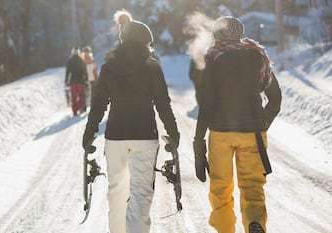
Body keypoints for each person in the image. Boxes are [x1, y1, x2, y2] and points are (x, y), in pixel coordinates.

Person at [82, 9, 180, 233]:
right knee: (140, 193)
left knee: (116, 191)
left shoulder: (108, 67)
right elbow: (163, 104)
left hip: (115, 136)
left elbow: (98, 104)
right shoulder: (152, 66)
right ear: (146, 42)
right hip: (145, 136)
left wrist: (89, 133)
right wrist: (173, 133)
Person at [193, 16, 282, 233]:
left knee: (221, 188)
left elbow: (206, 103)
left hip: (220, 134)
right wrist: (263, 121)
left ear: (217, 35)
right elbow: (275, 98)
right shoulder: (258, 55)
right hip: (253, 132)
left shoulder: (213, 58)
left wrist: (198, 142)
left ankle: (225, 229)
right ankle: (255, 223)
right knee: (253, 186)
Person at [65, 46, 88, 116]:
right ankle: (81, 108)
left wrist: (66, 81)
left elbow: (67, 72)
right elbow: (85, 71)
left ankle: (74, 111)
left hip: (73, 82)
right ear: (78, 52)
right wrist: (86, 80)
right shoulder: (81, 60)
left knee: (73, 97)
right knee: (81, 96)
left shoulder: (70, 61)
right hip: (81, 81)